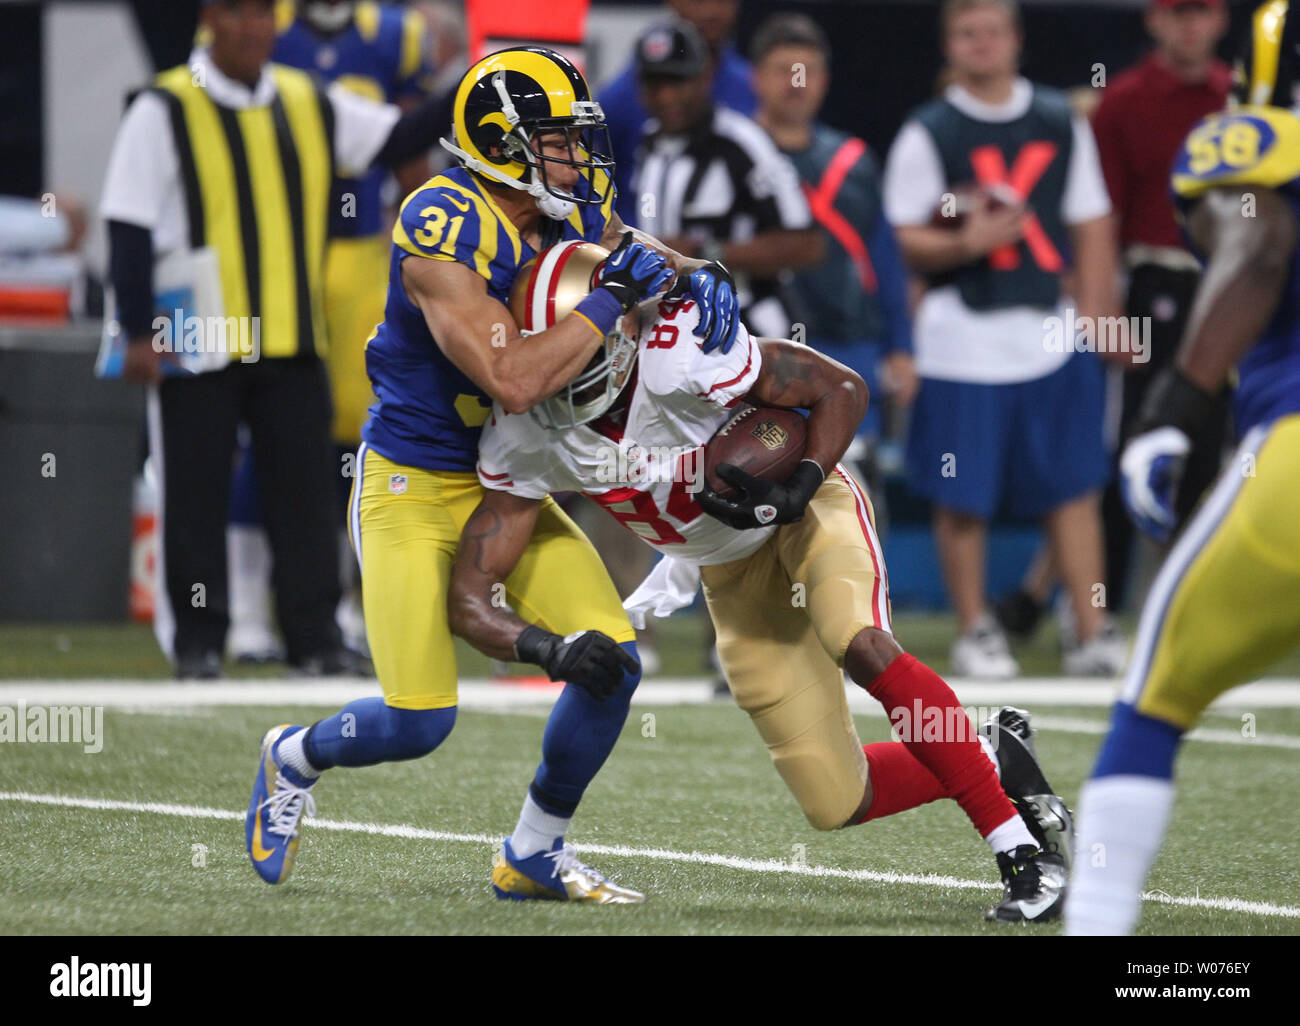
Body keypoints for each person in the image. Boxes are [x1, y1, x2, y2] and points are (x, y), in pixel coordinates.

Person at [243, 45, 743, 901]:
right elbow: (511, 376)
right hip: (415, 481)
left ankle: (533, 852)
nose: (578, 157)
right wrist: (608, 300)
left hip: (506, 480)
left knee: (614, 663)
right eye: (558, 139)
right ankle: (293, 754)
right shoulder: (442, 222)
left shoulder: (565, 209)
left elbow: (628, 247)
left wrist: (702, 279)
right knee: (418, 721)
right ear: (501, 141)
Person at [451, 239, 1075, 923]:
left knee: (859, 642)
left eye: (579, 353)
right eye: (552, 360)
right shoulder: (526, 431)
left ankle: (1021, 855)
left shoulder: (681, 350)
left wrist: (799, 486)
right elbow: (471, 594)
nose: (560, 382)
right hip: (728, 570)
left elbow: (841, 387)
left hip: (807, 515)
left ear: (622, 328)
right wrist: (546, 647)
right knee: (837, 799)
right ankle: (991, 753)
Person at [101, 0, 448, 678]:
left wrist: (470, 85)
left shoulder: (306, 100)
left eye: (263, 12)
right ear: (209, 19)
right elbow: (128, 221)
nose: (253, 27)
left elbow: (399, 138)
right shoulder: (164, 105)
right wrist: (139, 329)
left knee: (305, 492)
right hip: (197, 334)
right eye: (237, 12)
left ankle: (312, 637)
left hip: (291, 336)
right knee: (194, 490)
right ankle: (200, 641)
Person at [1067, 0, 1300, 935]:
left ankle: (1100, 926)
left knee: (1153, 697)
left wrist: (1175, 408)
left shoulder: (1245, 140)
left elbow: (1261, 241)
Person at [883, 0, 1126, 679]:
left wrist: (1102, 316)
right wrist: (966, 240)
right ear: (948, 45)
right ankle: (974, 628)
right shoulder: (928, 130)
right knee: (964, 496)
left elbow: (1092, 222)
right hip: (960, 338)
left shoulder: (1058, 119)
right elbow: (899, 235)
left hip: (1051, 330)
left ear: (1017, 39)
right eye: (966, 32)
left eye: (992, 30)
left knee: (1073, 488)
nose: (981, 43)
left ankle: (1089, 625)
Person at [225, 0, 437, 663]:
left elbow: (407, 156)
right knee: (261, 431)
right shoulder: (256, 20)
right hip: (270, 251)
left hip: (358, 252)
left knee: (356, 432)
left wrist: (424, 242)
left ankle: (338, 606)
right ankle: (240, 609)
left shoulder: (398, 36)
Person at [1090, 0, 1233, 610]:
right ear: (1154, 19)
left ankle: (1193, 596)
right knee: (1134, 438)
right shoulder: (1121, 101)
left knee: (1214, 441)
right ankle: (1100, 603)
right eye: (1179, 13)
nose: (1190, 25)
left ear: (1221, 19)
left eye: (1201, 12)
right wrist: (1103, 309)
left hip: (1229, 283)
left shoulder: (1243, 101)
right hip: (1152, 281)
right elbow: (1099, 215)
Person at [750, 12, 917, 475]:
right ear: (757, 78)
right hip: (753, 356)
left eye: (807, 72)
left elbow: (885, 261)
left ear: (824, 80)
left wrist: (901, 347)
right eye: (784, 70)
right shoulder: (729, 156)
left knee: (852, 493)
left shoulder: (855, 161)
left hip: (849, 351)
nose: (796, 83)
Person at [632, 20, 822, 338]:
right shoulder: (649, 144)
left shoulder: (743, 143)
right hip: (671, 327)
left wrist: (702, 252)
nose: (666, 97)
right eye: (655, 84)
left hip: (747, 325)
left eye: (678, 82)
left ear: (705, 77)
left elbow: (806, 244)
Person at [599, 0, 756, 225]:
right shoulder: (619, 98)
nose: (712, 11)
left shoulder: (753, 86)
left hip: (726, 247)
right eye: (698, 2)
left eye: (723, 2)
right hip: (633, 245)